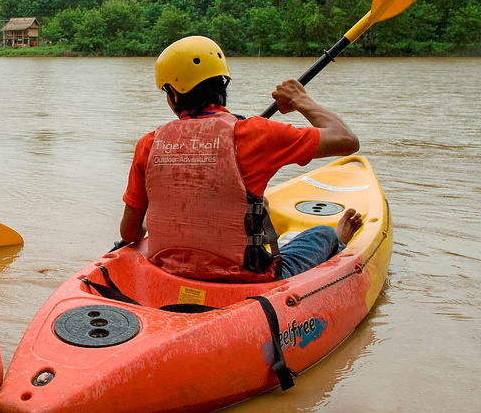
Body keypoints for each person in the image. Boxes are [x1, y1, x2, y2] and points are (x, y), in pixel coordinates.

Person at [120, 35, 364, 282]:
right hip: (243, 280)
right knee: (323, 234)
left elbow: (129, 233)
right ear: (222, 85)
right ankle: (339, 242)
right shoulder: (257, 133)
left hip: (168, 275)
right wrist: (300, 99)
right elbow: (346, 139)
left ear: (173, 94)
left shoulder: (149, 144)